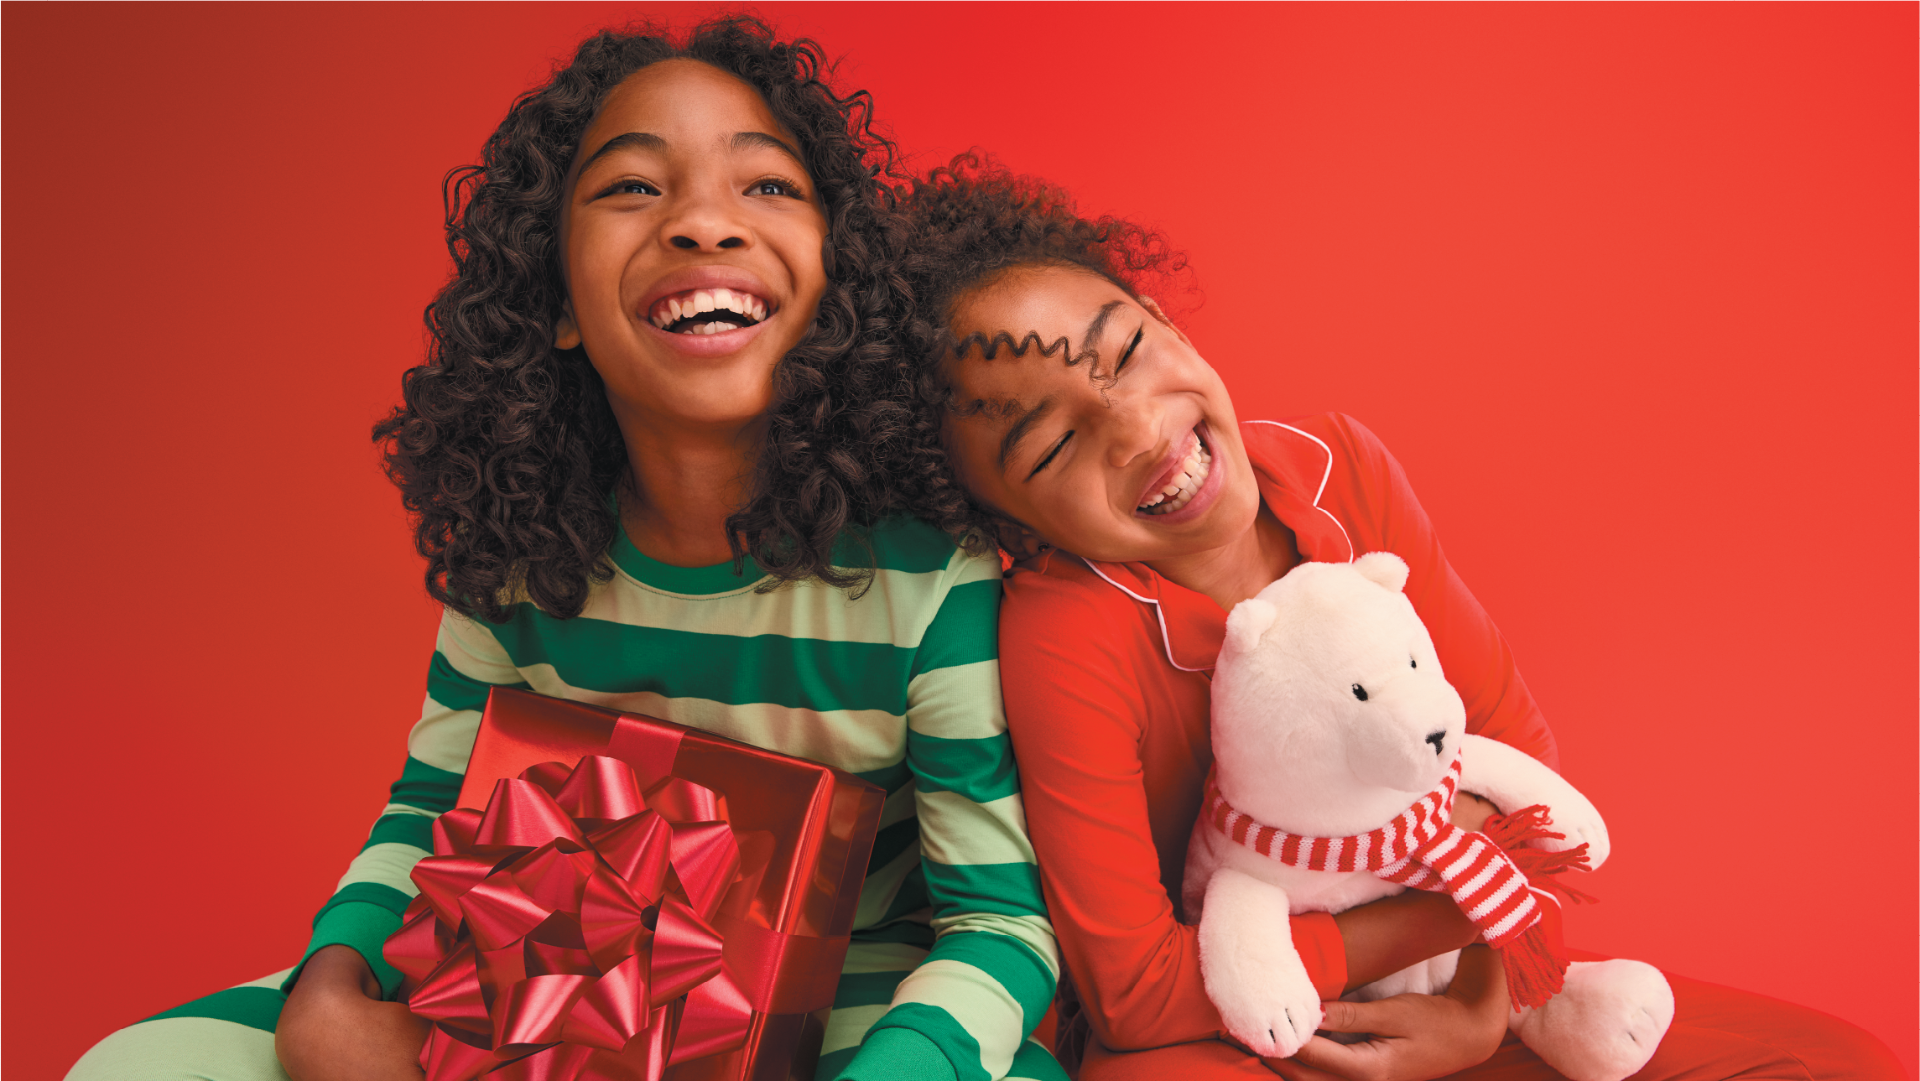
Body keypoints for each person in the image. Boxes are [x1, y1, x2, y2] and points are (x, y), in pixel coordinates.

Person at [67, 24, 1062, 1081]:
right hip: (531, 984)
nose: (701, 223)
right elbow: (428, 815)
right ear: (555, 310)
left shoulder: (930, 580)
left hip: (850, 1011)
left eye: (768, 186)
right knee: (138, 1065)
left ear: (840, 281)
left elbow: (999, 926)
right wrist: (330, 982)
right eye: (632, 186)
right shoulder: (521, 557)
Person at [868, 157, 1907, 1081]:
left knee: (1839, 1060)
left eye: (1129, 348)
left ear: (1166, 317)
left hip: (1460, 967)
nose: (1140, 430)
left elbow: (1515, 760)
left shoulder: (1339, 467)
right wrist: (1410, 931)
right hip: (1234, 1024)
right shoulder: (1061, 634)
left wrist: (1476, 1008)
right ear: (1003, 518)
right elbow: (1138, 992)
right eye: (1053, 448)